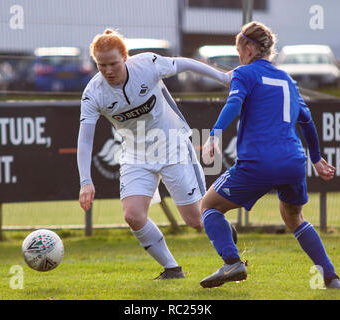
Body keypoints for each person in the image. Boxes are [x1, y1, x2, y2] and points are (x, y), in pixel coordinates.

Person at [77, 29, 233, 280]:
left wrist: (223, 77)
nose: (108, 71)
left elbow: (183, 63)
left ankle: (230, 248)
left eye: (113, 63)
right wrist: (86, 181)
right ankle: (172, 269)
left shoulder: (147, 65)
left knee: (196, 220)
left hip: (172, 146)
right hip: (135, 154)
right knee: (133, 215)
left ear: (125, 58)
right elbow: (85, 139)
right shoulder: (93, 92)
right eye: (101, 65)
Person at [199, 21, 340, 289]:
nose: (239, 57)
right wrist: (316, 158)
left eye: (239, 50)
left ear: (250, 48)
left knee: (208, 207)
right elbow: (308, 121)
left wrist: (215, 134)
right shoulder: (288, 79)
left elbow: (233, 102)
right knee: (294, 218)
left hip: (259, 162)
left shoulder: (244, 73)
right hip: (293, 162)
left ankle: (232, 262)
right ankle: (331, 277)